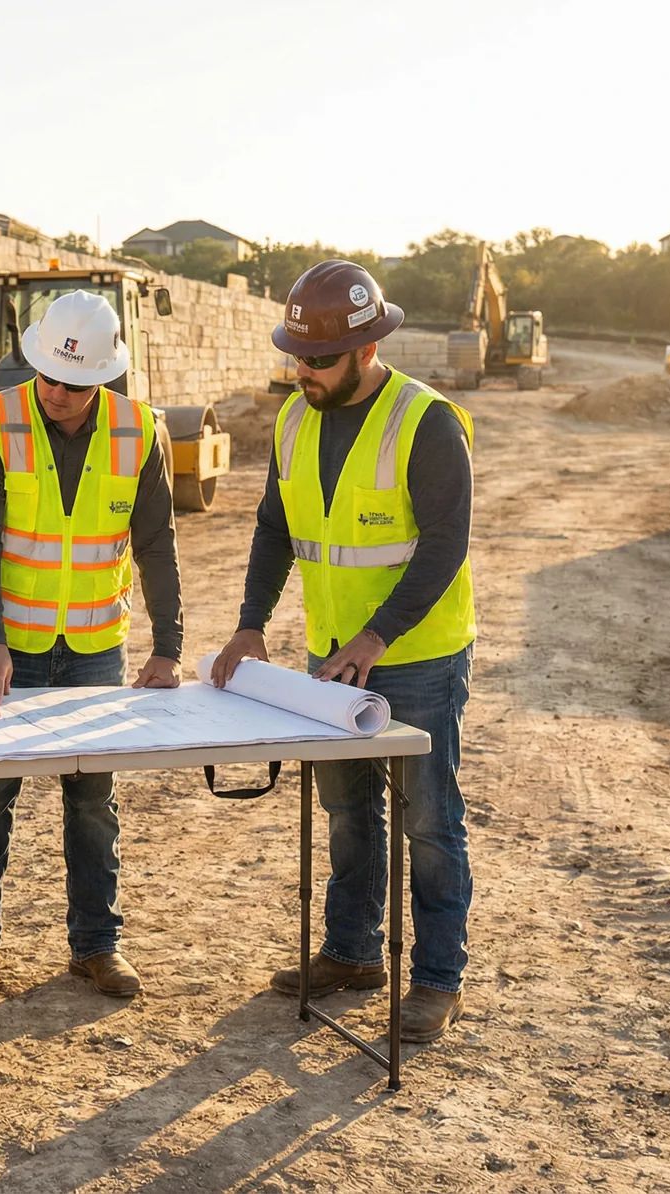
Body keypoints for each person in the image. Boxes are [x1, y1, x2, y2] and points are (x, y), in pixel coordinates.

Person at [210, 260, 475, 1044]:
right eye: (296, 355)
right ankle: (355, 954)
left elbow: (444, 546)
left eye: (318, 359)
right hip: (334, 659)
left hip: (418, 657)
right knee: (349, 814)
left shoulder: (425, 421)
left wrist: (377, 635)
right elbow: (272, 526)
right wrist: (251, 620)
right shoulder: (294, 417)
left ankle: (437, 980)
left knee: (428, 821)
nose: (304, 370)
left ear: (365, 349)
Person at [0, 289, 184, 1000]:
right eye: (47, 375)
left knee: (93, 804)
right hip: (8, 645)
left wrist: (168, 645)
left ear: (106, 376)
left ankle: (96, 947)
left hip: (96, 647)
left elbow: (156, 543)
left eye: (76, 383)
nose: (57, 392)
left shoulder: (141, 430)